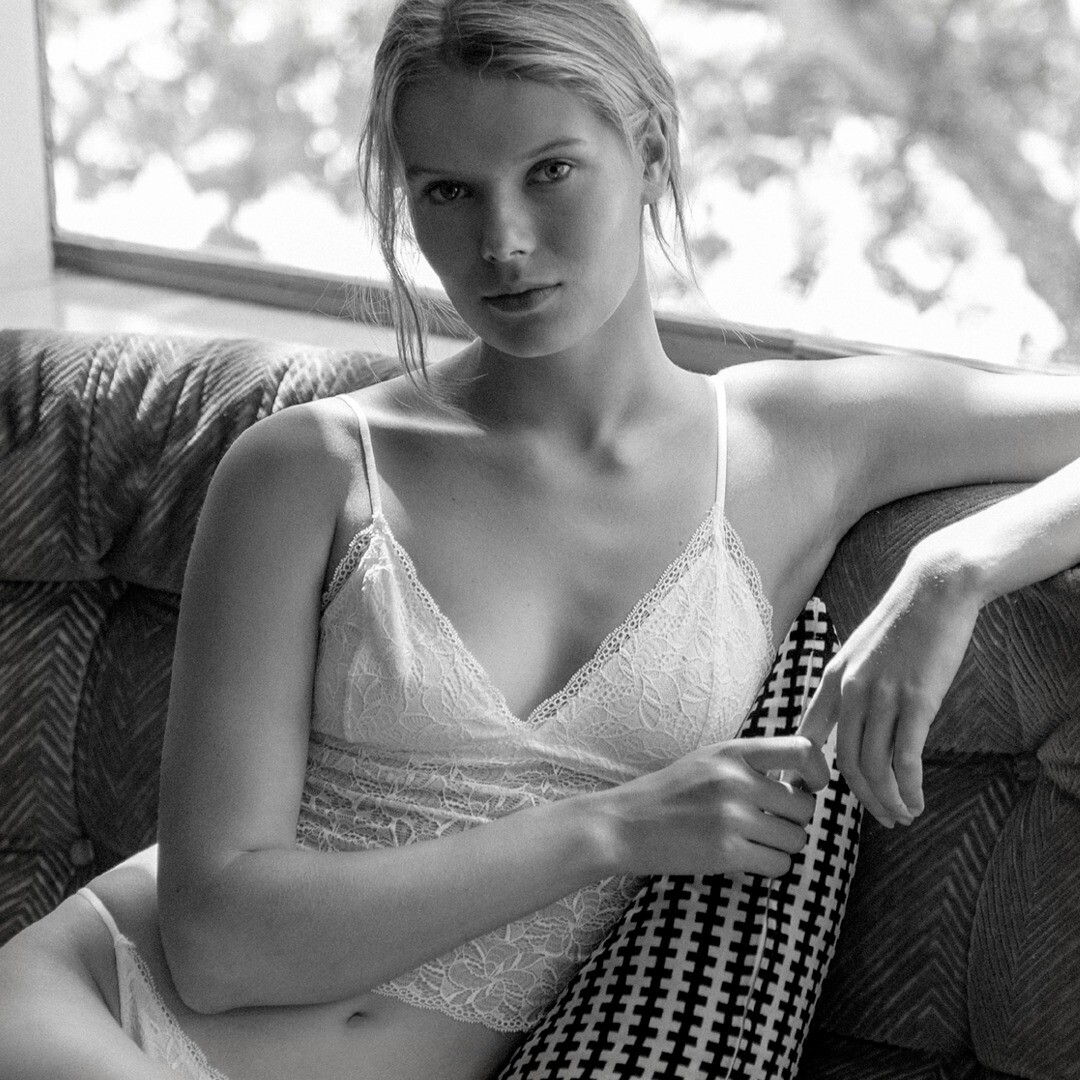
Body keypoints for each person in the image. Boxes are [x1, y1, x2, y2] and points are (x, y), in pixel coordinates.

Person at [2, 1, 1080, 1077]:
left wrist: (953, 569)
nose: (503, 243)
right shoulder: (310, 468)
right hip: (88, 1016)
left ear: (650, 150)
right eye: (448, 192)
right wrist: (613, 829)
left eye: (551, 171)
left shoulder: (792, 443)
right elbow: (216, 948)